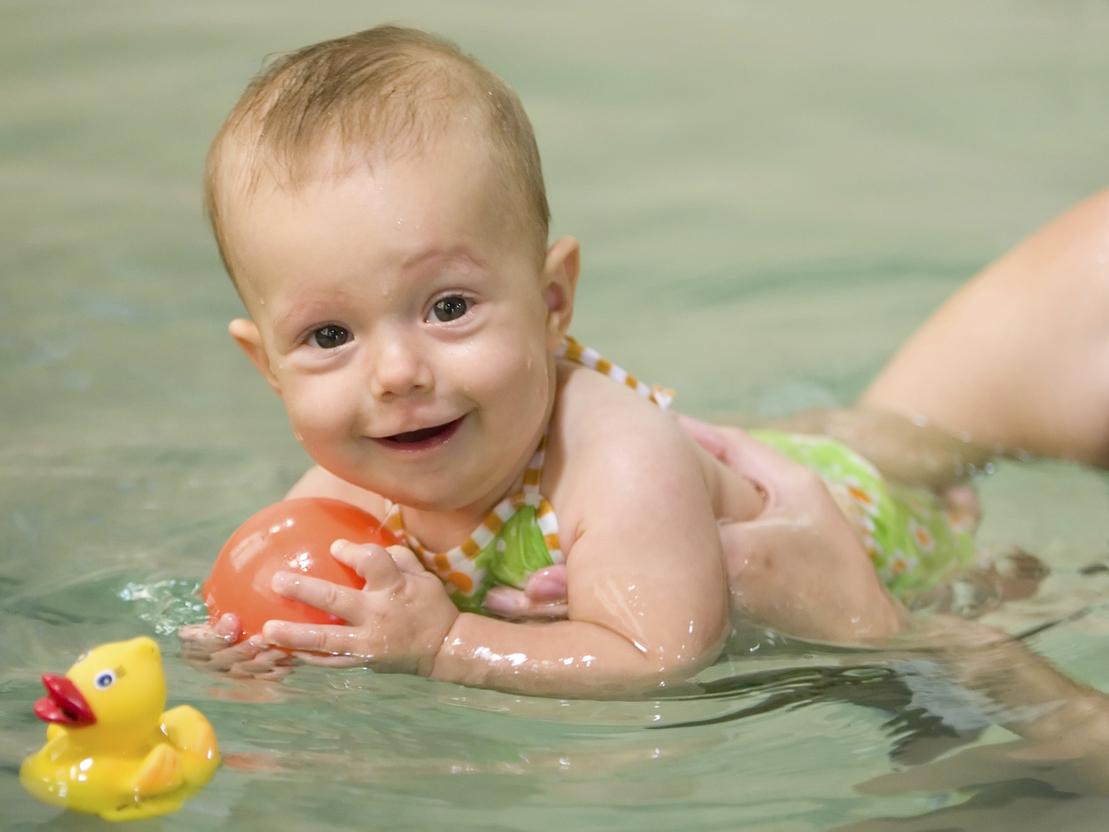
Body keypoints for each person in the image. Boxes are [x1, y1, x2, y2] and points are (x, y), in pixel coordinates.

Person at [181, 25, 1109, 702]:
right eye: (328, 337)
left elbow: (659, 656)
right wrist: (264, 650)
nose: (393, 374)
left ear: (552, 304)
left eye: (450, 307)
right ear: (268, 367)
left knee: (959, 521)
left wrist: (449, 645)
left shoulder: (614, 461)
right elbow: (281, 607)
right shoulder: (344, 485)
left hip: (858, 538)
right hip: (722, 479)